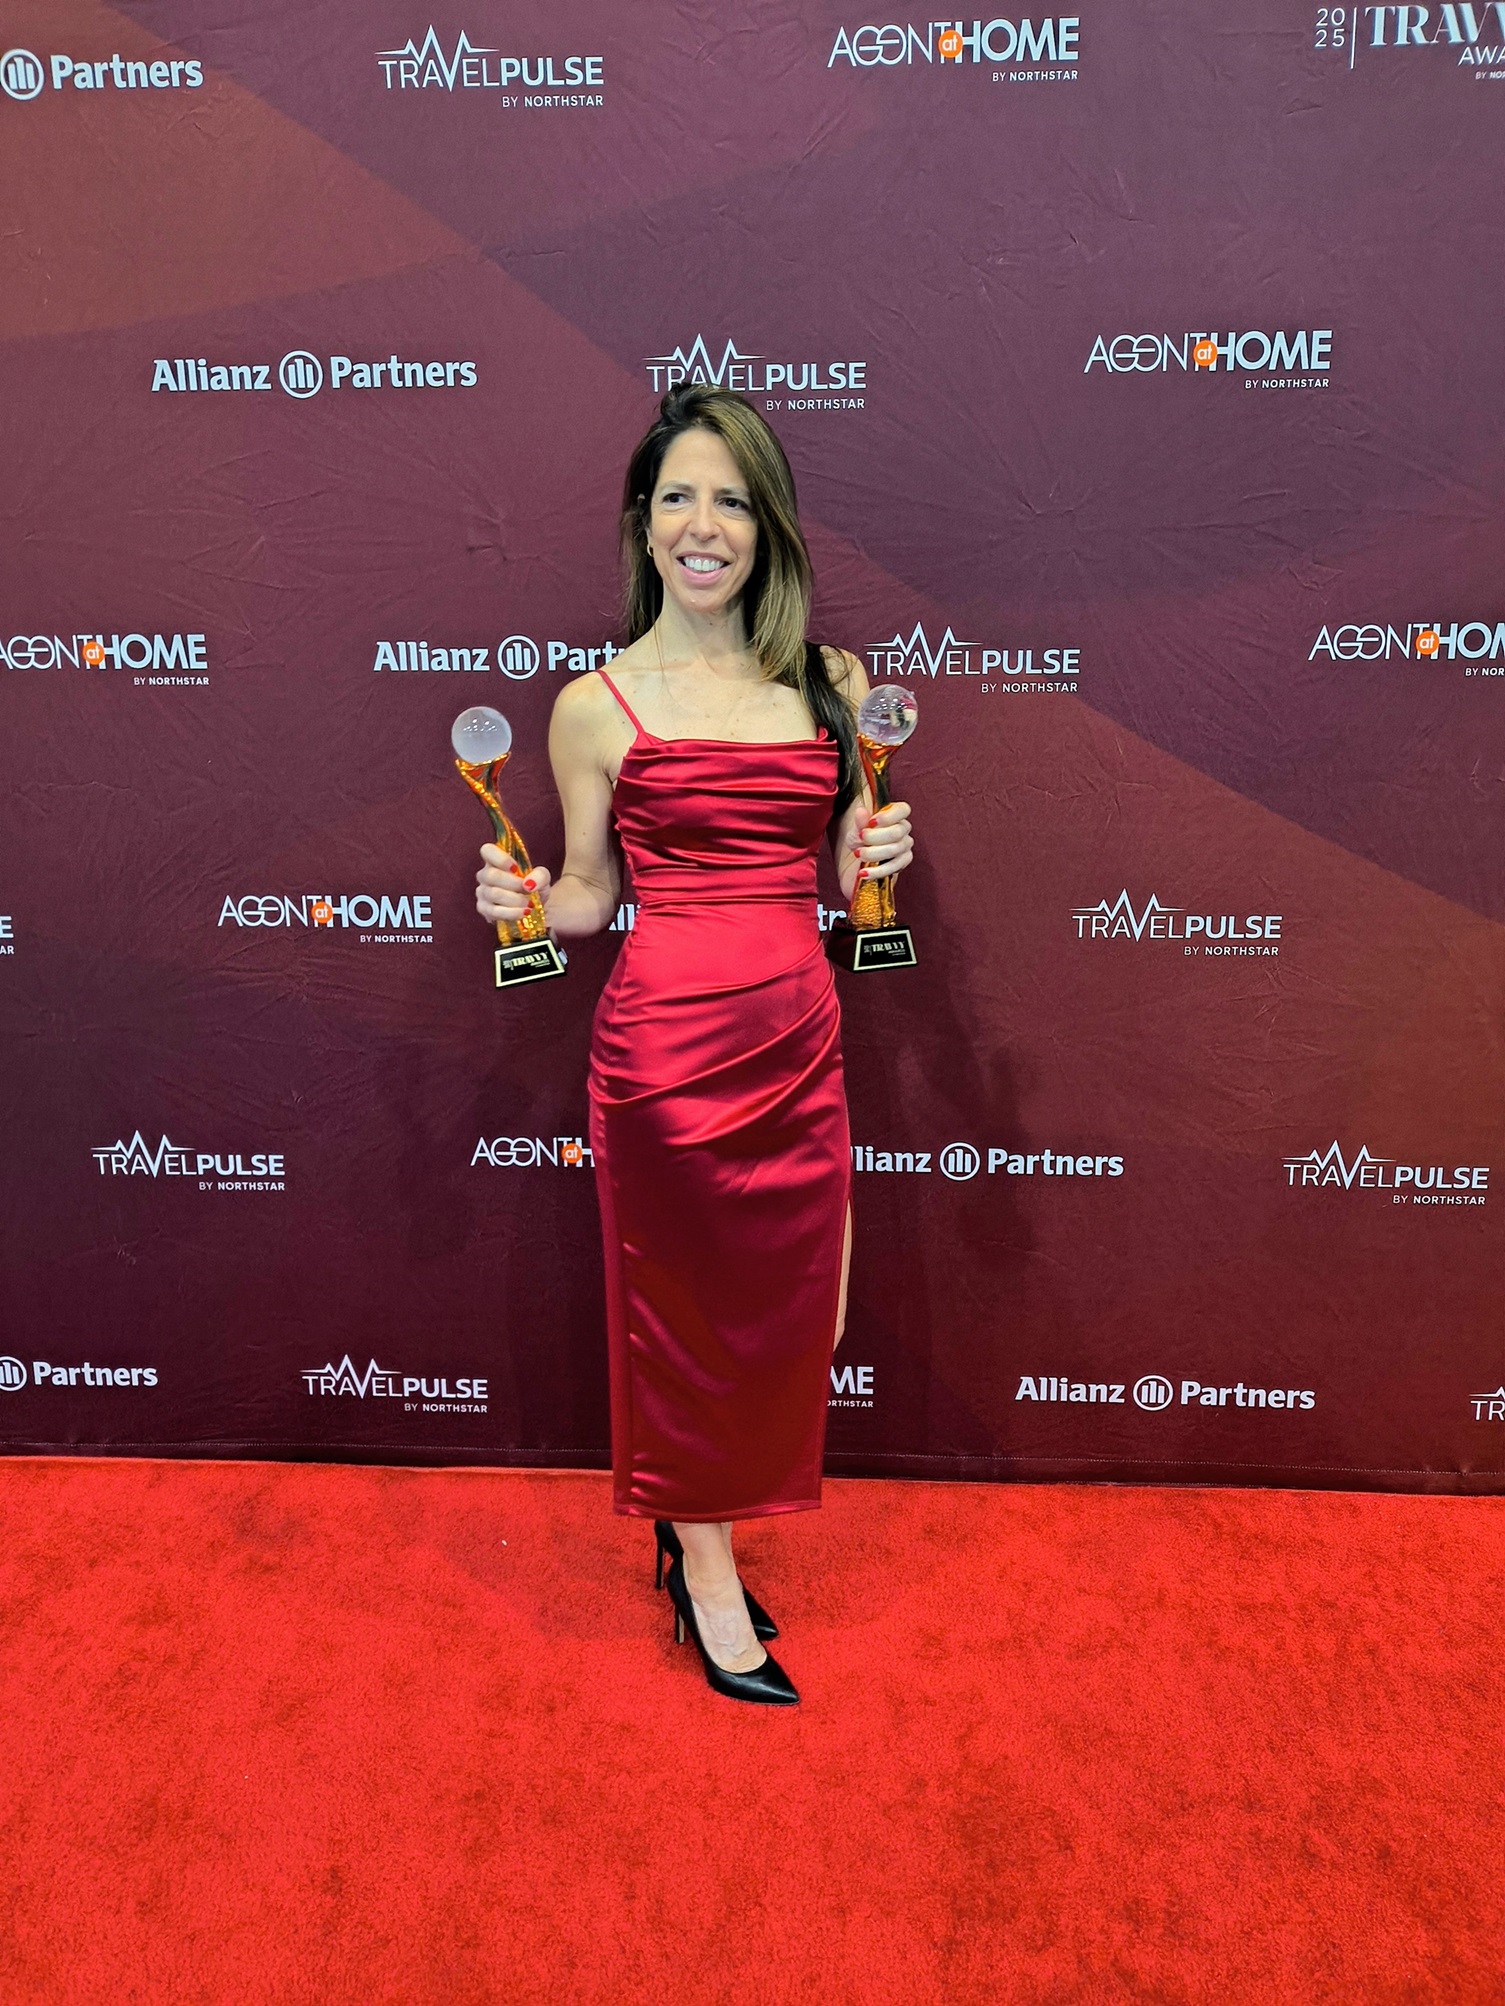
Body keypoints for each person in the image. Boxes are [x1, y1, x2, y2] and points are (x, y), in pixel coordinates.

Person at [476, 387, 914, 1704]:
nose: (703, 525)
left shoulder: (831, 687)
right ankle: (705, 1567)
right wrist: (524, 903)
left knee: (799, 1315)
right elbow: (589, 892)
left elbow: (839, 876)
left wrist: (873, 855)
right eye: (678, 497)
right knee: (684, 1321)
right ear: (643, 521)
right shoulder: (593, 704)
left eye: (730, 498)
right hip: (663, 1057)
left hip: (797, 1039)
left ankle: (693, 1522)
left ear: (766, 524)